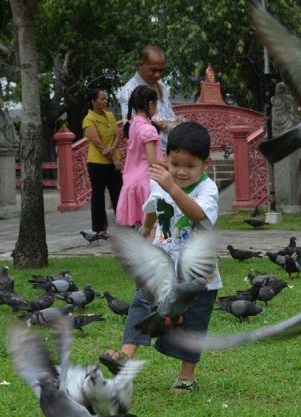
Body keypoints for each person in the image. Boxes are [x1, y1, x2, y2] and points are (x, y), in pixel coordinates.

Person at [104, 121, 222, 394]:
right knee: (141, 303)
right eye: (175, 163)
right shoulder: (162, 181)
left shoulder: (208, 189)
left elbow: (197, 215)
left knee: (192, 325)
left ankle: (186, 377)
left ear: (206, 163)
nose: (181, 172)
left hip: (198, 275)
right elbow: (154, 205)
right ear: (166, 158)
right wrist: (146, 226)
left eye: (190, 166)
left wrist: (172, 187)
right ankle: (125, 357)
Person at [115, 85, 162, 228]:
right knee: (153, 227)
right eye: (156, 104)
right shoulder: (148, 129)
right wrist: (171, 166)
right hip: (147, 182)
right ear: (151, 104)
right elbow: (153, 161)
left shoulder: (133, 124)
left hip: (133, 180)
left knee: (143, 227)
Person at [118, 45, 177, 155]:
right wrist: (163, 124)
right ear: (140, 64)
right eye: (153, 70)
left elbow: (171, 118)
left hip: (171, 153)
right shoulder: (130, 91)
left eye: (161, 70)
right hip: (149, 158)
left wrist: (170, 123)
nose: (157, 75)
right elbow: (132, 127)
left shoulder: (162, 86)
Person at [83, 88, 123, 238]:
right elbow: (98, 144)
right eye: (101, 98)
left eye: (106, 98)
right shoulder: (89, 119)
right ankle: (100, 228)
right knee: (98, 195)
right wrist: (114, 158)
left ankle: (123, 224)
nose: (105, 101)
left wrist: (112, 150)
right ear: (93, 102)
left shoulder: (110, 115)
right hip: (97, 162)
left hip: (113, 160)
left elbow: (117, 136)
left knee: (118, 192)